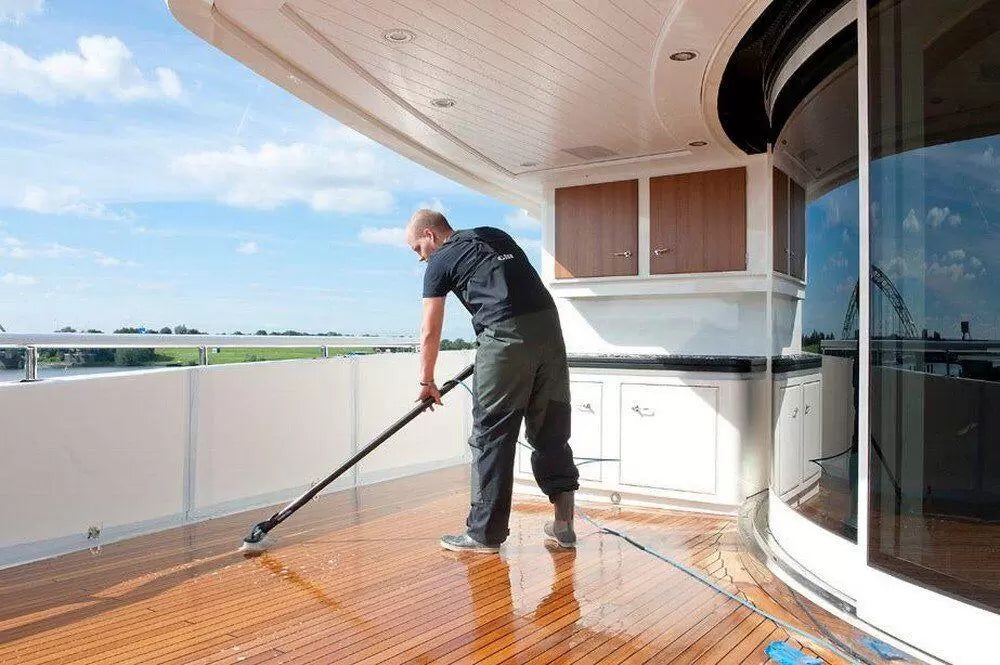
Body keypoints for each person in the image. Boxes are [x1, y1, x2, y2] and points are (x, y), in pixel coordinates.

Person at [406, 208, 579, 553]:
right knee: (551, 428)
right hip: (549, 332)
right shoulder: (495, 234)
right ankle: (564, 525)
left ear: (429, 235)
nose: (420, 258)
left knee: (491, 436)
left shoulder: (440, 261)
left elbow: (430, 328)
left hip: (503, 338)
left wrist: (426, 380)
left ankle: (483, 534)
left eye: (417, 249)